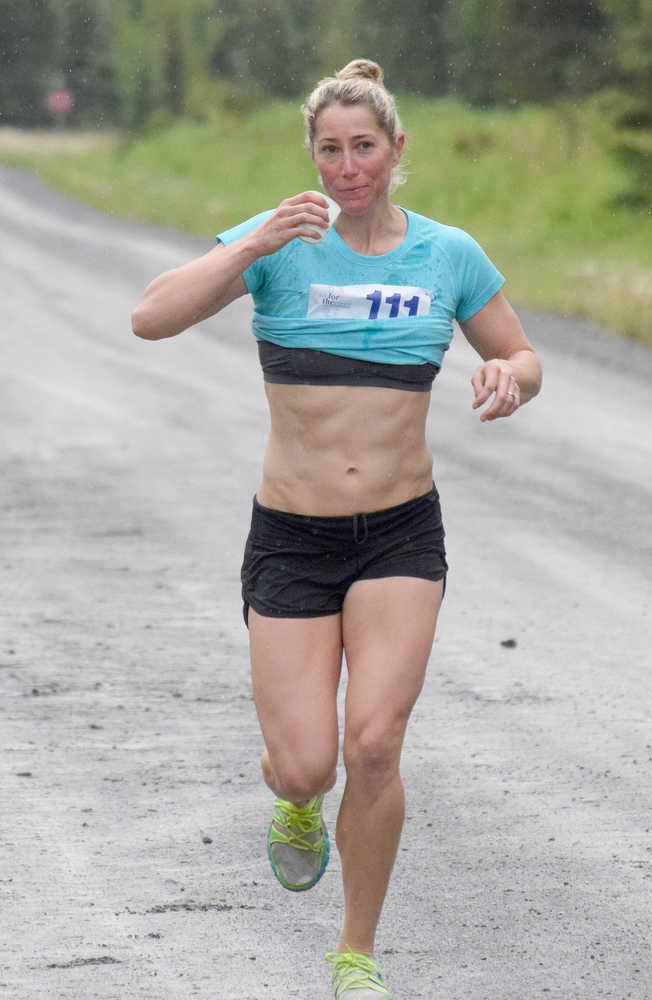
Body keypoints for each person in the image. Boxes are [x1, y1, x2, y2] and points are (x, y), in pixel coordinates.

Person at [132, 58, 542, 1000]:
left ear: (398, 151)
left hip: (400, 533)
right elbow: (150, 317)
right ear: (311, 156)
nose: (348, 166)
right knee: (307, 762)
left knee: (373, 746)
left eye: (365, 147)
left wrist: (510, 377)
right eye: (331, 149)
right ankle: (294, 803)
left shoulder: (446, 254)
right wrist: (249, 244)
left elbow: (520, 350)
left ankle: (356, 953)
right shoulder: (279, 240)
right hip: (292, 538)